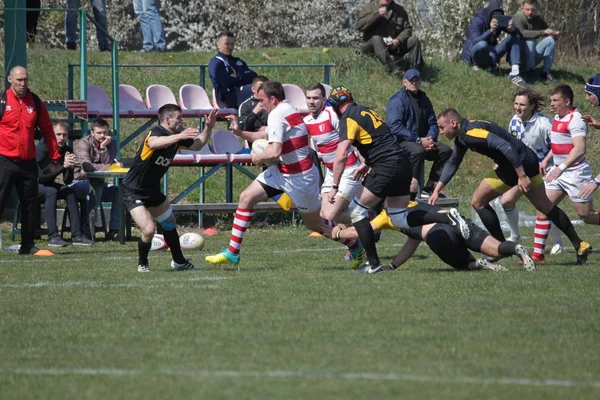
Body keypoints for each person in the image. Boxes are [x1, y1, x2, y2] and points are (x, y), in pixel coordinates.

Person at [205, 81, 365, 268]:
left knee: (315, 224)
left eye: (262, 100)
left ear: (272, 99)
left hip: (300, 177)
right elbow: (267, 137)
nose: (259, 104)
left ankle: (355, 245)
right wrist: (240, 132)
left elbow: (274, 152)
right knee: (246, 197)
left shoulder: (277, 115)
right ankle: (233, 252)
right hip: (282, 170)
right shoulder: (285, 109)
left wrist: (258, 158)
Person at [327, 86, 471, 274]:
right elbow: (382, 138)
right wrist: (367, 163)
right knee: (398, 216)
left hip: (386, 166)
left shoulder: (348, 118)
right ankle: (447, 215)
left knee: (357, 211)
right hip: (402, 163)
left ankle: (373, 264)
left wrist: (334, 186)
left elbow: (340, 156)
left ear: (337, 107)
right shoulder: (366, 110)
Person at [430, 108, 591, 264]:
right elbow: (453, 163)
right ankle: (579, 244)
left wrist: (521, 176)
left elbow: (505, 146)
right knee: (545, 205)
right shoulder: (464, 134)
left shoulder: (470, 133)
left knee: (478, 202)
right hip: (528, 159)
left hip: (514, 166)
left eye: (442, 127)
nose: (441, 132)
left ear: (453, 123)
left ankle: (502, 247)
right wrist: (437, 190)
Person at [121, 106, 218, 272]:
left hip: (152, 190)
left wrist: (209, 127)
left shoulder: (175, 137)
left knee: (169, 223)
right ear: (167, 120)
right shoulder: (157, 131)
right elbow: (153, 142)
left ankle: (179, 262)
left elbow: (197, 145)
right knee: (149, 229)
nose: (182, 121)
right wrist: (179, 136)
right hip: (133, 190)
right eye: (179, 118)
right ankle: (142, 263)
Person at [324, 202, 535, 272]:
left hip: (438, 235)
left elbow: (364, 231)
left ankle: (479, 265)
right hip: (457, 221)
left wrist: (339, 232)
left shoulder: (387, 215)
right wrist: (393, 266)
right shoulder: (415, 203)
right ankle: (517, 249)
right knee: (496, 249)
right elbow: (412, 242)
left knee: (466, 266)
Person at [527, 85, 600, 262]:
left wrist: (561, 167)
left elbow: (580, 149)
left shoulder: (576, 119)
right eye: (551, 100)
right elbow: (559, 144)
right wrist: (546, 160)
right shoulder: (558, 117)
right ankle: (537, 255)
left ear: (567, 101)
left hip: (576, 173)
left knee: (585, 215)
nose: (552, 104)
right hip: (559, 171)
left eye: (555, 100)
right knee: (543, 207)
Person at [0, 66, 61, 255]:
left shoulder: (35, 102)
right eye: (19, 80)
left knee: (30, 202)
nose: (23, 83)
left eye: (25, 79)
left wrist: (55, 156)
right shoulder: (2, 100)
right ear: (10, 79)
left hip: (27, 161)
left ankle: (27, 245)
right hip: (5, 159)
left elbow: (47, 130)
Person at [502, 88, 562, 253]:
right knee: (506, 201)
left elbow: (557, 146)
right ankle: (515, 237)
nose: (517, 108)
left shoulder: (544, 124)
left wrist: (545, 161)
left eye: (522, 104)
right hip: (525, 171)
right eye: (516, 103)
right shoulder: (514, 121)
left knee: (545, 206)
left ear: (532, 106)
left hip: (547, 170)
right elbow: (511, 146)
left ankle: (557, 241)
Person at [386, 69, 452, 199]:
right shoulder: (396, 100)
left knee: (446, 150)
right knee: (417, 151)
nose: (414, 83)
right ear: (404, 82)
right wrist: (418, 140)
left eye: (417, 80)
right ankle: (412, 190)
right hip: (401, 142)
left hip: (423, 141)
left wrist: (430, 139)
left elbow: (432, 122)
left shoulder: (424, 99)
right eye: (411, 80)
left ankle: (429, 187)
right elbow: (395, 127)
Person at [303, 83, 362, 222]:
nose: (311, 102)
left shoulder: (332, 115)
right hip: (331, 172)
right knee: (323, 216)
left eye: (316, 98)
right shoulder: (306, 121)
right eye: (309, 98)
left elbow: (353, 140)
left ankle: (369, 219)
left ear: (324, 100)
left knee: (330, 216)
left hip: (349, 169)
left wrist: (364, 163)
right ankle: (355, 239)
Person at [36, 122, 93, 247]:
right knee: (52, 192)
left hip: (48, 184)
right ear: (52, 134)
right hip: (33, 186)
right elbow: (41, 178)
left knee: (69, 191)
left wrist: (70, 168)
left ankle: (77, 235)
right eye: (58, 134)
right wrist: (63, 166)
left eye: (65, 135)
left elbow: (67, 181)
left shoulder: (66, 150)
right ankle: (53, 236)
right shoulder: (42, 149)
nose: (62, 138)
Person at [72, 118, 121, 240]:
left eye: (105, 132)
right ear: (92, 133)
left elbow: (105, 166)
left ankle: (115, 230)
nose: (103, 136)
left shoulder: (111, 144)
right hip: (79, 182)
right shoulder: (84, 143)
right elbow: (87, 167)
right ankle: (88, 230)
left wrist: (104, 148)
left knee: (118, 191)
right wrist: (109, 166)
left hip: (99, 182)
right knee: (93, 188)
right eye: (99, 133)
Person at [461, 1, 526, 87]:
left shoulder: (500, 21)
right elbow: (475, 42)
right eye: (495, 16)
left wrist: (512, 29)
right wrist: (490, 31)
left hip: (491, 52)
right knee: (482, 44)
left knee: (514, 36)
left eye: (499, 16)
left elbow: (520, 35)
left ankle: (514, 72)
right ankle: (479, 65)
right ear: (489, 15)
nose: (497, 19)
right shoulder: (477, 21)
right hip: (475, 55)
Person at [356, 0, 423, 76]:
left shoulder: (400, 10)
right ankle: (394, 70)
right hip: (372, 48)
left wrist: (398, 40)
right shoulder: (369, 7)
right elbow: (360, 26)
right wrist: (377, 15)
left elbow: (407, 29)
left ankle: (415, 74)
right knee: (376, 39)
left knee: (414, 40)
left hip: (392, 47)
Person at [512, 0, 558, 83]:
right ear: (522, 8)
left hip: (532, 55)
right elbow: (522, 33)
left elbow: (548, 30)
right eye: (528, 9)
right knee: (530, 42)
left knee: (550, 41)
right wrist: (542, 32)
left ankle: (545, 72)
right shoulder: (517, 18)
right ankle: (529, 72)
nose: (530, 12)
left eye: (533, 10)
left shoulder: (537, 19)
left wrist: (554, 34)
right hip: (519, 58)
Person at [209, 32, 258, 109]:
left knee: (268, 88)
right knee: (259, 91)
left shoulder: (238, 61)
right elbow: (226, 82)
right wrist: (243, 76)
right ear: (218, 45)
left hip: (243, 90)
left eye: (232, 44)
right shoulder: (216, 62)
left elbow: (253, 76)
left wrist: (238, 76)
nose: (230, 47)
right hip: (230, 96)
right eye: (227, 44)